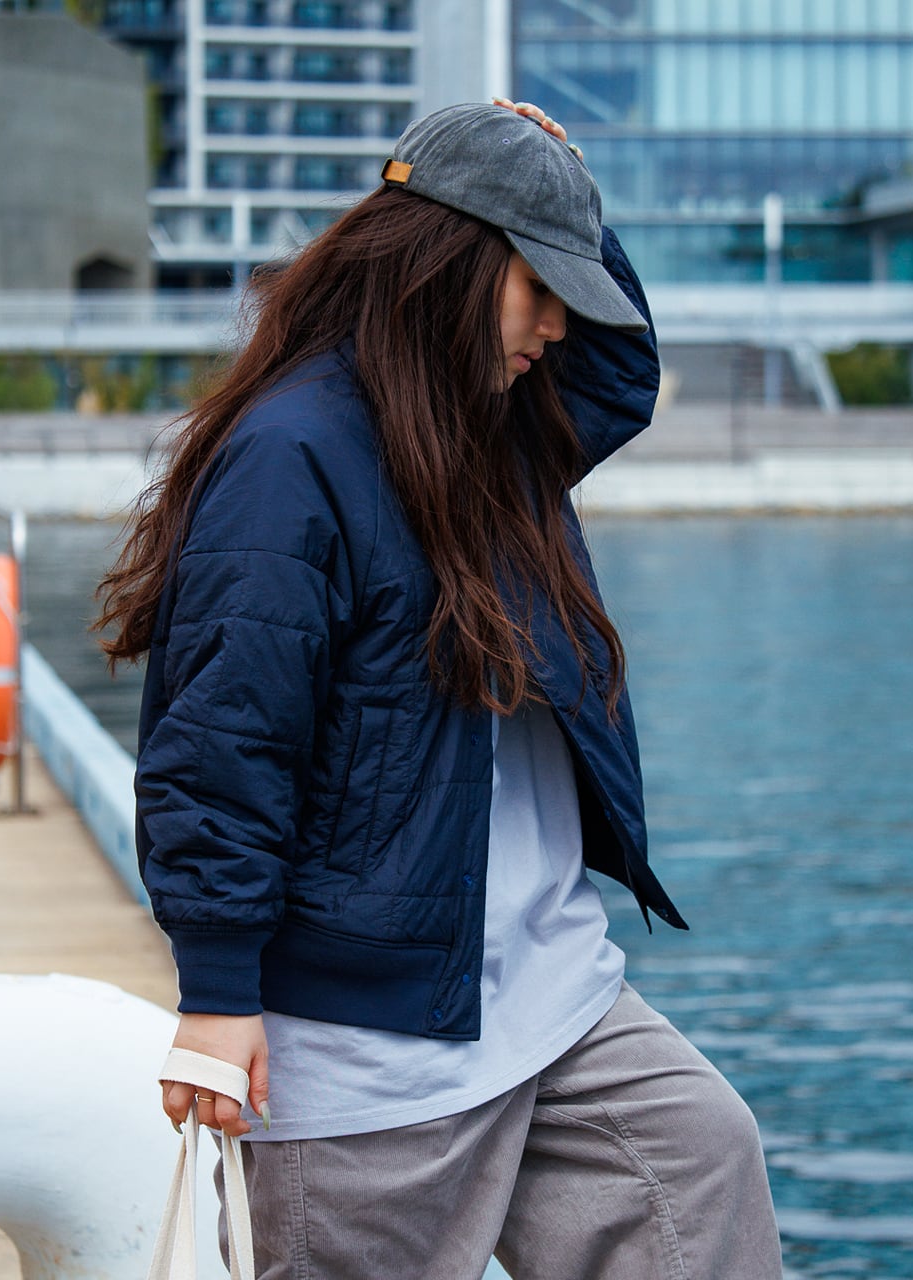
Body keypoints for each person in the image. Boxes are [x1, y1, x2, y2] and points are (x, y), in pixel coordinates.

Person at [98, 99, 783, 1280]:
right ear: (447, 263)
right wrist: (215, 991)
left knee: (700, 1159)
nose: (557, 326)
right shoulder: (291, 455)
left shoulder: (493, 430)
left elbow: (622, 370)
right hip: (364, 1040)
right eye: (538, 286)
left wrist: (556, 184)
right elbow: (219, 743)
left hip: (551, 1001)